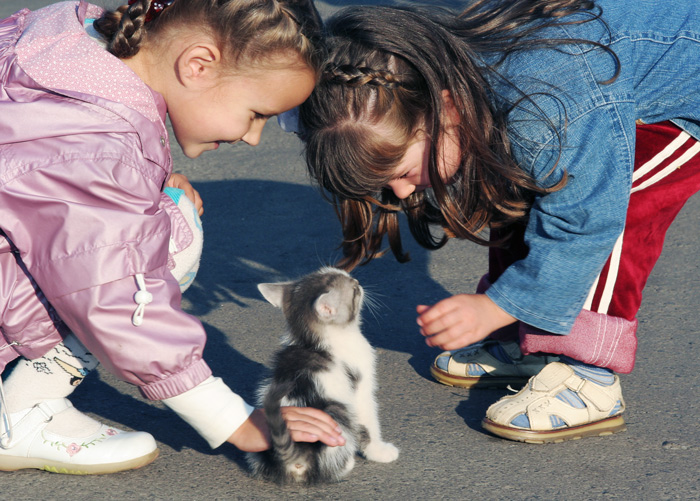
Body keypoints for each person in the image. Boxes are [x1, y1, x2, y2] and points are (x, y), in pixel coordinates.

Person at [297, 0, 700, 443]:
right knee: (517, 176)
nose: (402, 192)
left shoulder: (546, 102)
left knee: (609, 198)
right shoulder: (468, 89)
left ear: (446, 110)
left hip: (686, 101)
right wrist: (503, 313)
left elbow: (586, 220)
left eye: (403, 172)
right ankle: (531, 339)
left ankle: (589, 375)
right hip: (604, 87)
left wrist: (497, 306)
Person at [0, 0, 345, 475]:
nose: (253, 138)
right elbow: (118, 303)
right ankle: (19, 416)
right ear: (198, 64)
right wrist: (237, 421)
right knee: (169, 235)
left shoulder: (62, 40)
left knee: (151, 214)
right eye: (257, 113)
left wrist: (138, 187)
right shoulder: (98, 151)